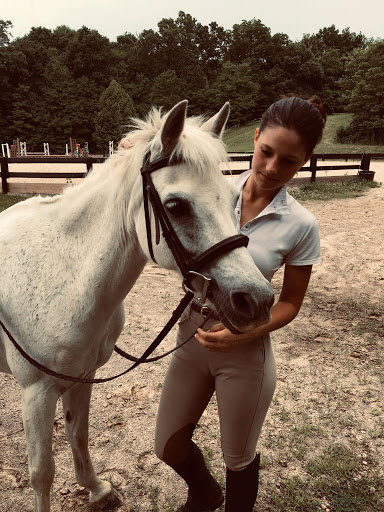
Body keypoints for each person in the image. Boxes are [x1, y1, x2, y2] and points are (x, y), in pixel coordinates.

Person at [154, 95, 327, 512]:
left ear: (305, 160)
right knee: (167, 446)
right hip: (191, 335)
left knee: (238, 457)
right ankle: (204, 492)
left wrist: (244, 333)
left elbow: (290, 303)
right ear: (254, 138)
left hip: (245, 349)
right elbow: (161, 168)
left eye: (287, 161)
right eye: (265, 151)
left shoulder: (301, 225)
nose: (270, 168)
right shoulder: (214, 192)